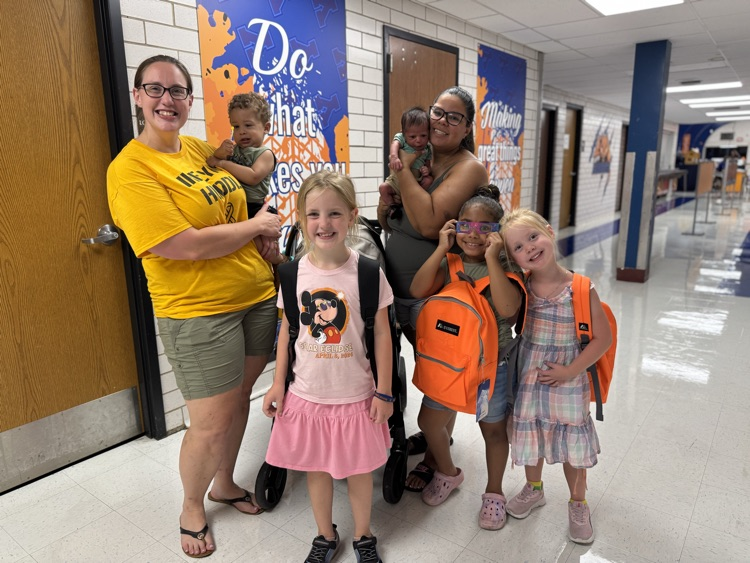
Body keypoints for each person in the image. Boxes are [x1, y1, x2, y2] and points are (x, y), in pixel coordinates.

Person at [107, 55, 283, 559]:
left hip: (254, 296)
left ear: (188, 99)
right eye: (155, 89)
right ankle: (191, 505)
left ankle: (224, 483)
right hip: (199, 310)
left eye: (178, 91)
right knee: (209, 421)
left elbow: (252, 196)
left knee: (240, 399)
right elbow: (181, 244)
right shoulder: (130, 169)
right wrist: (255, 228)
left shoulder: (202, 150)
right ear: (138, 96)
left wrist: (265, 236)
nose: (168, 99)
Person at [262, 170, 394, 563]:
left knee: (358, 472)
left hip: (357, 395)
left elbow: (383, 336)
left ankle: (364, 535)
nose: (324, 223)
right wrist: (275, 385)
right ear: (302, 218)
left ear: (352, 217)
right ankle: (324, 535)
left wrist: (385, 392)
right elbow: (287, 334)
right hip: (306, 395)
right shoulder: (291, 275)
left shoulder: (369, 274)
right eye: (314, 214)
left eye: (335, 214)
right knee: (315, 470)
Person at [377, 86, 489, 493]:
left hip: (436, 295)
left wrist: (399, 169)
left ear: (466, 128)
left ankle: (439, 459)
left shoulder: (469, 167)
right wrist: (391, 187)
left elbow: (427, 224)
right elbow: (388, 216)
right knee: (422, 369)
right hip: (396, 291)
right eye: (437, 111)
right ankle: (436, 435)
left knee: (441, 374)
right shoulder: (415, 155)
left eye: (453, 117)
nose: (441, 120)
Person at [499, 209, 612, 544]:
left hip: (569, 381)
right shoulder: (521, 287)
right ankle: (534, 489)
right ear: (513, 258)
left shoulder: (580, 288)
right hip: (531, 379)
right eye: (518, 247)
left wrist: (570, 371)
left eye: (533, 237)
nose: (530, 248)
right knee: (530, 435)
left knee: (573, 447)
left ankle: (578, 502)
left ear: (548, 231)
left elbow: (602, 339)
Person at [409, 194, 521, 529]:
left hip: (492, 368)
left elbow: (508, 310)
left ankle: (494, 492)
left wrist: (492, 259)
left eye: (483, 228)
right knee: (429, 422)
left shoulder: (508, 267)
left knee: (494, 432)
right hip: (449, 365)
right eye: (465, 226)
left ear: (497, 233)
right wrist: (442, 248)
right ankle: (447, 471)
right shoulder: (449, 263)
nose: (472, 234)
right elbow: (417, 291)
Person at [208, 92, 276, 218]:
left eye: (248, 125)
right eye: (236, 127)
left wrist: (222, 163)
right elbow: (212, 160)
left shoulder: (265, 154)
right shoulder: (235, 149)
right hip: (231, 203)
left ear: (266, 128)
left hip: (253, 208)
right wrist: (221, 152)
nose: (241, 132)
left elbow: (253, 176)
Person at [378, 106, 433, 216]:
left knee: (429, 180)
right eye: (412, 136)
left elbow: (428, 164)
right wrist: (394, 157)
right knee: (383, 188)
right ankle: (393, 207)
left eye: (423, 135)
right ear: (403, 133)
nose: (418, 140)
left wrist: (427, 170)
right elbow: (395, 144)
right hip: (395, 182)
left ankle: (413, 200)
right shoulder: (401, 139)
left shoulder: (427, 148)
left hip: (415, 182)